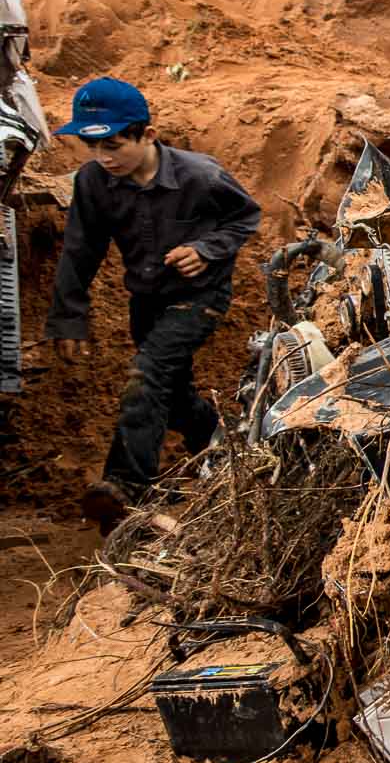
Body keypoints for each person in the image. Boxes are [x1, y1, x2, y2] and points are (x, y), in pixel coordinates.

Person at [42, 77, 260, 530]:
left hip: (201, 298)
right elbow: (80, 252)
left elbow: (247, 217)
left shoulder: (201, 175)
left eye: (115, 146)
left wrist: (206, 249)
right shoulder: (93, 182)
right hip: (145, 300)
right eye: (92, 146)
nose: (103, 158)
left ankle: (125, 486)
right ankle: (220, 442)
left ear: (148, 136)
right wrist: (69, 320)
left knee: (148, 373)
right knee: (171, 396)